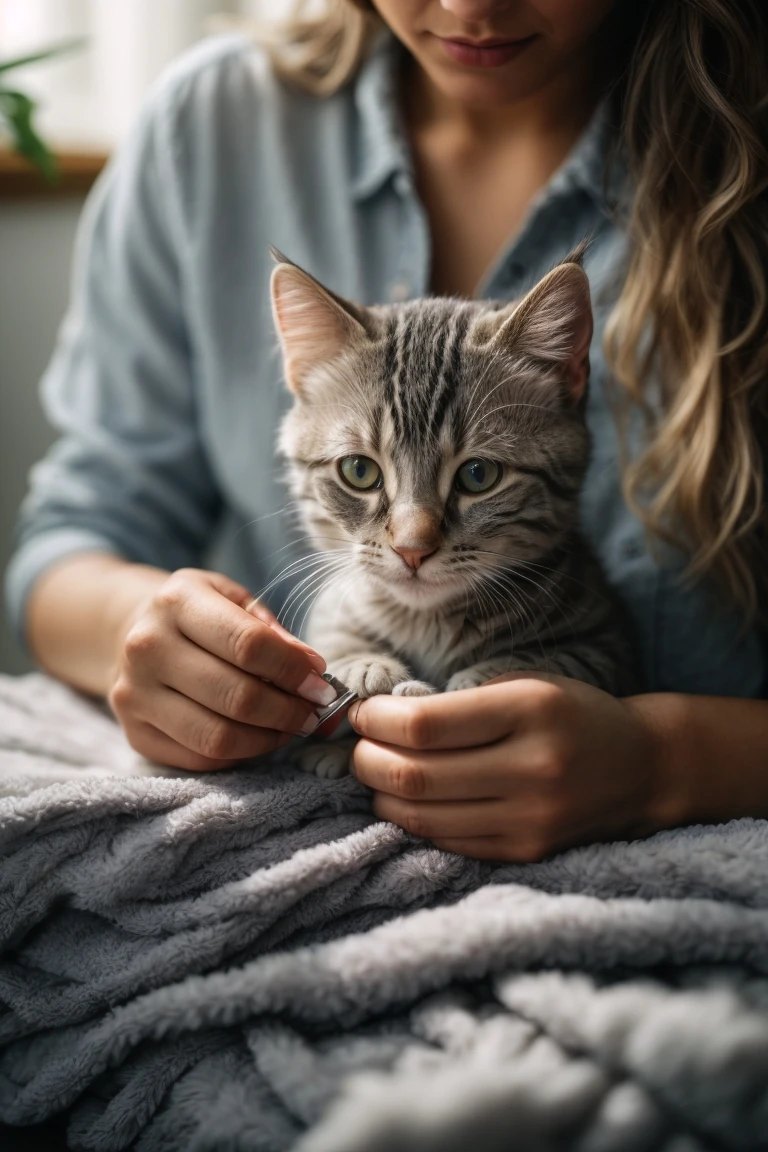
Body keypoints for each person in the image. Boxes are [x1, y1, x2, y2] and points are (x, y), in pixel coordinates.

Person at [5, 0, 768, 862]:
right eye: (362, 476)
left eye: (475, 479)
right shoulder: (208, 124)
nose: (470, 7)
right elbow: (76, 533)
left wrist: (667, 762)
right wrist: (137, 632)